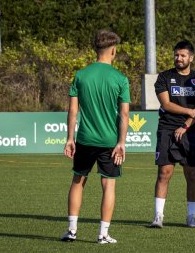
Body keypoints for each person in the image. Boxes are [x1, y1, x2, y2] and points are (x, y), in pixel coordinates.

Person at [61, 29, 130, 243]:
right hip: (110, 141)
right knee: (108, 184)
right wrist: (121, 142)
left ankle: (72, 231)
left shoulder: (81, 75)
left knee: (78, 181)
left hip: (84, 139)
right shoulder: (120, 78)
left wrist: (70, 138)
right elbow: (125, 113)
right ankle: (103, 234)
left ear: (95, 49)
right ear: (113, 51)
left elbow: (73, 111)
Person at [149, 40, 195, 228]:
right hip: (167, 128)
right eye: (176, 55)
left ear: (191, 57)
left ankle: (191, 217)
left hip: (191, 131)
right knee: (164, 173)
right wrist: (187, 111)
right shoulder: (164, 77)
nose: (179, 58)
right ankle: (158, 216)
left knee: (191, 174)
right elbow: (166, 104)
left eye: (183, 55)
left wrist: (186, 125)